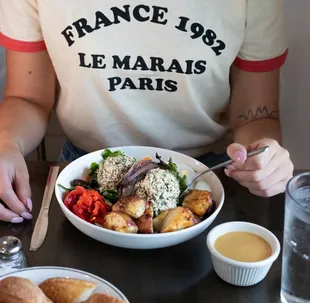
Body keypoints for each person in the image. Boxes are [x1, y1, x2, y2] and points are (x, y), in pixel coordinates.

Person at [0, 0, 293, 223]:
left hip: (206, 177)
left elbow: (257, 115)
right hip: (85, 173)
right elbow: (27, 98)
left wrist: (264, 157)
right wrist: (6, 143)